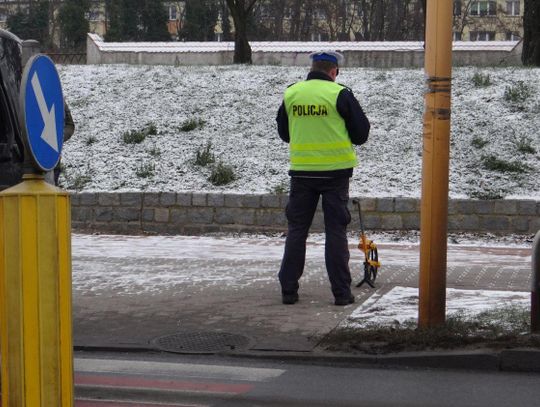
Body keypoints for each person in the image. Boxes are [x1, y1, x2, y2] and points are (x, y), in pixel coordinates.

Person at [276, 50, 370, 306]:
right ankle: (341, 293)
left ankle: (288, 291)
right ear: (333, 71)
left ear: (312, 69)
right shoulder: (339, 94)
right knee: (335, 232)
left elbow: (285, 133)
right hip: (335, 175)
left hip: (302, 173)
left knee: (297, 231)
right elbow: (361, 134)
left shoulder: (292, 93)